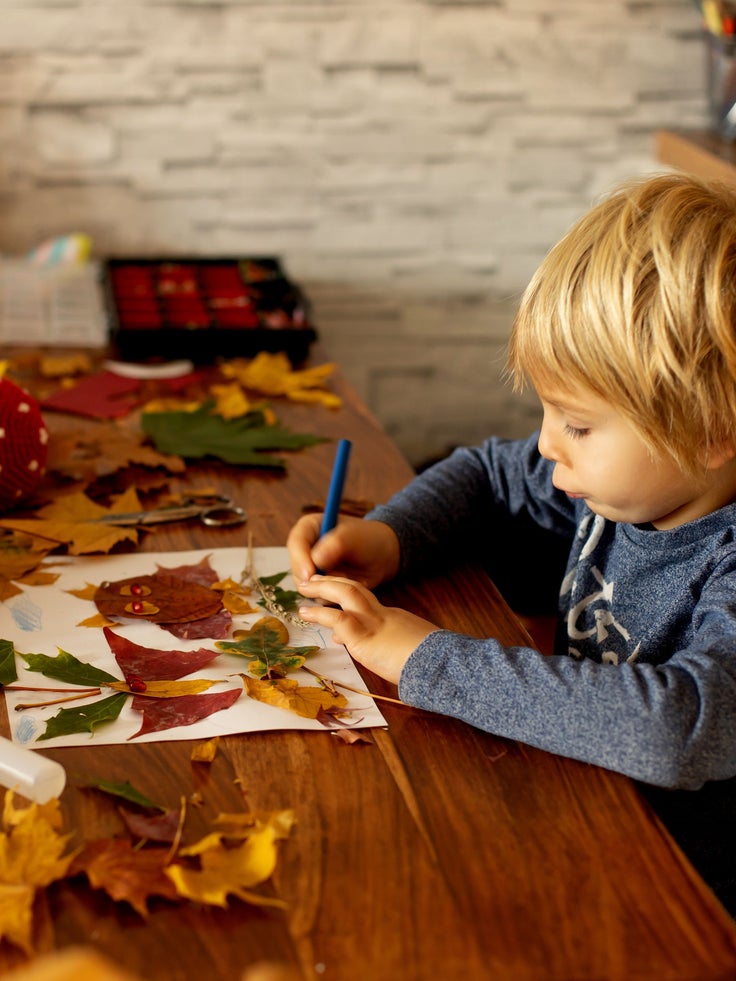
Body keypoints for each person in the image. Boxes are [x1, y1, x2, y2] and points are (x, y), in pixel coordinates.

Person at [287, 173, 736, 797]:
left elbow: (677, 729)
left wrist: (425, 658)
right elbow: (486, 473)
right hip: (582, 793)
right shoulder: (635, 481)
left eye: (577, 425)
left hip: (678, 876)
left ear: (711, 432)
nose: (546, 443)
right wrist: (391, 535)